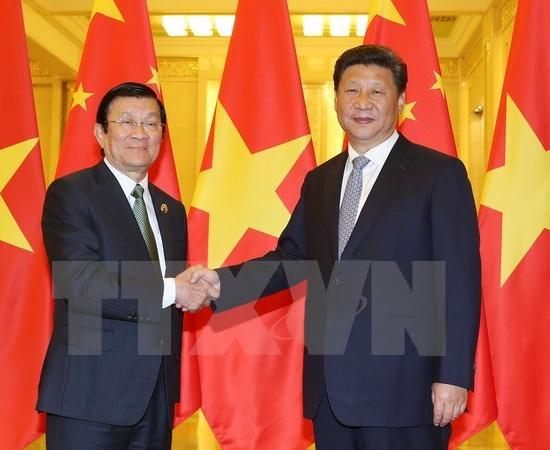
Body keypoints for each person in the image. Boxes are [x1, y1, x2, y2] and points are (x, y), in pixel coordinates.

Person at [184, 45, 481, 449]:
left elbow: (460, 282)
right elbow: (292, 259)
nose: (362, 102)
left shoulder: (438, 173)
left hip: (405, 391)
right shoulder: (320, 181)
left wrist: (453, 375)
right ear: (336, 97)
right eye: (351, 90)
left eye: (376, 92)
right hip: (329, 393)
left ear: (401, 101)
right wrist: (219, 283)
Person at [37, 82, 214, 449]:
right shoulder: (72, 193)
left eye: (151, 123)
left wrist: (198, 289)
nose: (139, 132)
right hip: (90, 397)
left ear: (162, 135)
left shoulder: (171, 210)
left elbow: (167, 300)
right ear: (100, 132)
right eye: (126, 121)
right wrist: (174, 289)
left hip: (155, 400)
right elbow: (82, 283)